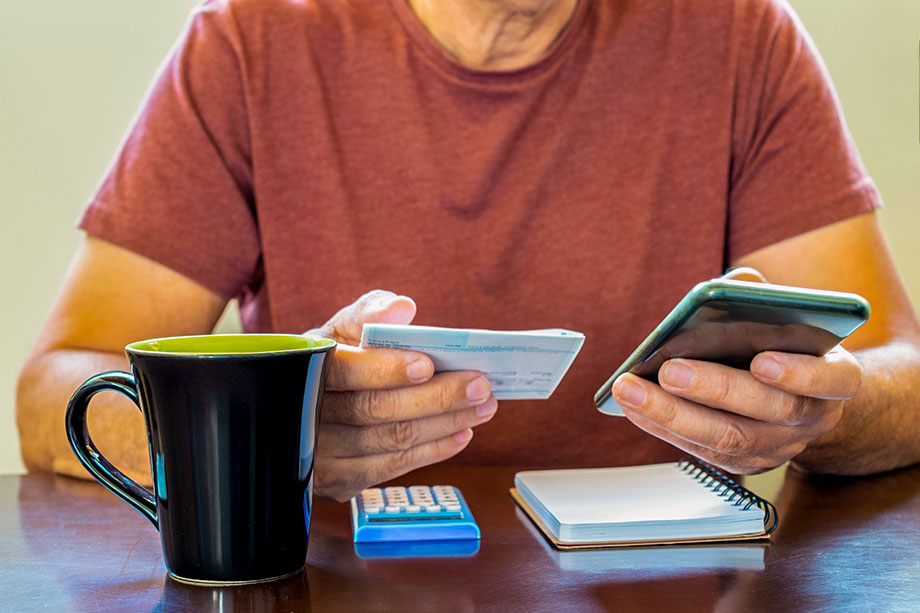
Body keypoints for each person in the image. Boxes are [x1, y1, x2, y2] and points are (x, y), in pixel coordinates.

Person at [16, 0, 920, 502]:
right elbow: (58, 387)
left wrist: (824, 414)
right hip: (331, 586)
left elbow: (900, 373)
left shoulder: (742, 36)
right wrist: (265, 442)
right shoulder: (249, 42)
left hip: (654, 580)